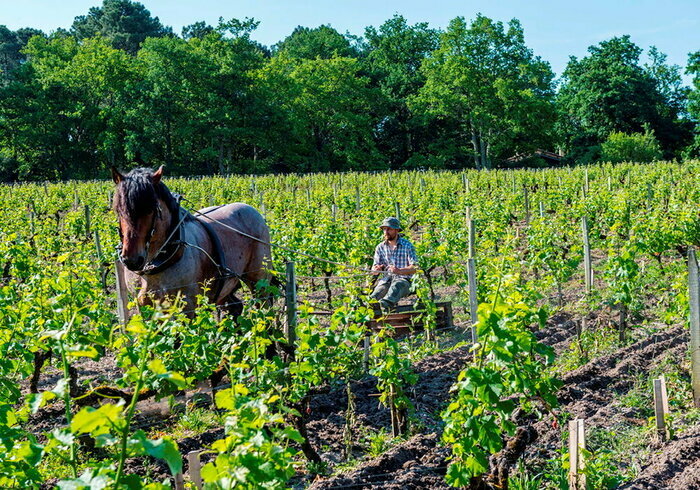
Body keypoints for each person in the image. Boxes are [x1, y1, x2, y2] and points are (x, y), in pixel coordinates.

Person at [370, 217, 418, 311]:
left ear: (396, 230)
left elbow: (415, 267)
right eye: (384, 229)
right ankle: (371, 308)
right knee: (375, 295)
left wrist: (400, 271)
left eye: (389, 229)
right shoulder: (380, 247)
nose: (386, 232)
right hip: (386, 280)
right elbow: (374, 269)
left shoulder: (407, 245)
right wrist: (376, 269)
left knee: (396, 286)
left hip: (404, 281)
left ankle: (385, 306)